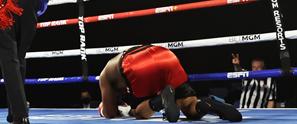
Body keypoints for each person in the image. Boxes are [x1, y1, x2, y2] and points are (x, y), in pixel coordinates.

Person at [99, 45, 241, 122]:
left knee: (139, 113)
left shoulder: (104, 76)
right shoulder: (116, 72)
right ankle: (207, 105)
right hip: (165, 54)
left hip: (136, 64)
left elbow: (110, 114)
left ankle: (161, 101)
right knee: (189, 106)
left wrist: (111, 108)